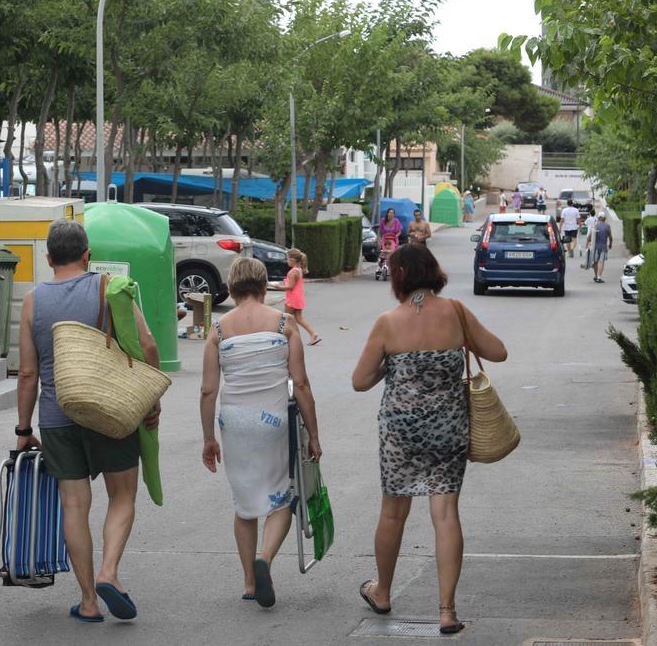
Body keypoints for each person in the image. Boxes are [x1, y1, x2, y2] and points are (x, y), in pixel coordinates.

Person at [351, 244, 507, 636]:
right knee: (446, 515)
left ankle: (383, 592)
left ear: (399, 276)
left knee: (392, 513)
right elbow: (498, 352)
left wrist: (396, 365)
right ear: (432, 271)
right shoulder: (455, 312)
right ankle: (447, 611)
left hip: (399, 432)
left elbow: (360, 381)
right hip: (448, 428)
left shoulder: (387, 322)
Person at [15, 219, 161, 624]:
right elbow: (148, 345)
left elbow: (27, 374)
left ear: (48, 259)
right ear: (86, 255)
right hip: (110, 408)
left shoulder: (33, 301)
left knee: (74, 505)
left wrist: (24, 430)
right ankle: (109, 572)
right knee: (123, 495)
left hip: (57, 415)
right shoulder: (108, 287)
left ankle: (88, 601)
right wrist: (150, 399)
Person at [200, 257, 322, 609]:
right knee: (280, 498)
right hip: (274, 422)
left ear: (232, 287)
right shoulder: (284, 324)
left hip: (235, 422)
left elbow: (208, 390)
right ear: (264, 285)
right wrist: (313, 434)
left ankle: (250, 582)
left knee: (244, 504)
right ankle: (265, 558)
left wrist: (209, 438)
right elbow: (300, 383)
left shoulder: (219, 329)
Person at [267, 248, 321, 345]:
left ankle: (282, 339)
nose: (286, 261)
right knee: (299, 319)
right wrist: (282, 283)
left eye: (287, 259)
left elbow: (290, 287)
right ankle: (313, 333)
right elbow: (292, 283)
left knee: (284, 319)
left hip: (292, 299)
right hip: (298, 298)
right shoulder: (299, 270)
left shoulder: (292, 272)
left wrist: (277, 287)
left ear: (292, 260)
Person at [592, 211, 614, 283]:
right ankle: (599, 277)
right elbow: (610, 237)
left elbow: (590, 237)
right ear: (604, 218)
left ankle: (595, 276)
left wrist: (587, 243)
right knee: (601, 262)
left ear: (598, 218)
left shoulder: (595, 225)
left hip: (595, 247)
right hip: (603, 247)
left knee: (595, 262)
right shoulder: (607, 226)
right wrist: (610, 244)